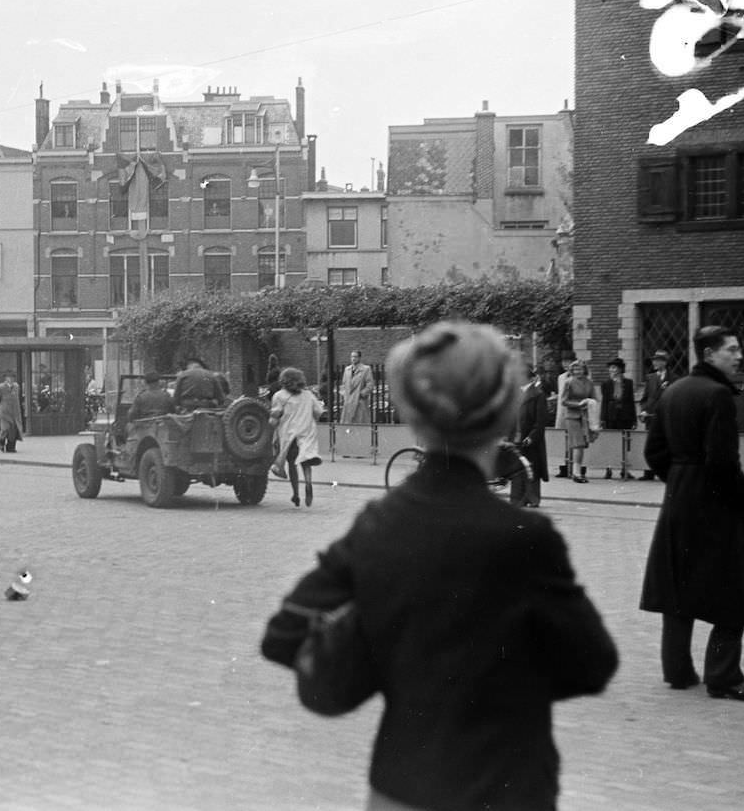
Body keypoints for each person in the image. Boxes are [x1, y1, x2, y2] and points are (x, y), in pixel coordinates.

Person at [262, 321, 617, 811]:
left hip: (405, 784)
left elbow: (284, 634)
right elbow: (594, 663)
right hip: (509, 782)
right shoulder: (526, 537)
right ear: (503, 409)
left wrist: (382, 647)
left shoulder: (380, 525)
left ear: (415, 415)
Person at [641, 325, 744, 701]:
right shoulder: (718, 396)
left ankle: (678, 670)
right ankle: (725, 676)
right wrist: (736, 497)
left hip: (679, 497)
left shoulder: (674, 390)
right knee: (730, 587)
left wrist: (680, 479)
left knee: (677, 582)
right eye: (731, 350)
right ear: (710, 354)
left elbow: (654, 453)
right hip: (713, 503)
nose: (739, 356)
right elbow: (721, 461)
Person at [268, 367, 324, 508]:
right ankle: (308, 483)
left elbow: (274, 417)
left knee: (292, 464)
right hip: (306, 433)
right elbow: (318, 412)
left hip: (289, 435)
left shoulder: (279, 396)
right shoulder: (308, 395)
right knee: (306, 461)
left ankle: (296, 494)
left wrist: (273, 423)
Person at [510, 362, 549, 508]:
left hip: (530, 438)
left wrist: (532, 437)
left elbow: (540, 421)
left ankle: (532, 498)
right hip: (516, 437)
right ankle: (517, 499)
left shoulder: (538, 395)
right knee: (516, 469)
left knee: (531, 467)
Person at [560, 360, 598, 483]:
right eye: (575, 370)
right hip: (572, 416)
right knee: (578, 444)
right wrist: (578, 404)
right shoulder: (568, 382)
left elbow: (595, 398)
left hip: (585, 416)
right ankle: (576, 473)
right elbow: (563, 401)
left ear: (584, 370)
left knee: (583, 445)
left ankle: (577, 471)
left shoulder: (589, 383)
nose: (577, 372)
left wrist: (590, 403)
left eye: (580, 369)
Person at [638, 350, 674, 480]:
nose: (654, 363)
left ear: (665, 362)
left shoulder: (673, 378)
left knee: (667, 443)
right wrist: (643, 410)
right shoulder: (650, 378)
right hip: (651, 416)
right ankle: (649, 472)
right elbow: (645, 398)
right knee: (651, 443)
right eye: (654, 360)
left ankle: (667, 472)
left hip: (666, 416)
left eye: (658, 360)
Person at [600, 357, 637, 478]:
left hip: (625, 415)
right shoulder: (606, 384)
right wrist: (602, 418)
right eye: (610, 368)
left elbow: (631, 401)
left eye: (614, 367)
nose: (612, 370)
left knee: (625, 443)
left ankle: (624, 469)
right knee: (610, 442)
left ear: (620, 369)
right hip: (611, 415)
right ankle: (609, 468)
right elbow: (604, 402)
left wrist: (634, 419)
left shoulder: (628, 383)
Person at [0, 371, 24, 453]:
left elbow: (17, 398)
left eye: (12, 377)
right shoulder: (0, 388)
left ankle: (11, 447)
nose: (10, 379)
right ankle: (2, 442)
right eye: (8, 377)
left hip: (15, 412)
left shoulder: (16, 386)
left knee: (13, 430)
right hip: (5, 412)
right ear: (5, 378)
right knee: (5, 428)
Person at [340, 350, 374, 424]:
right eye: (352, 356)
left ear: (359, 358)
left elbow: (370, 385)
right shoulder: (347, 370)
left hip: (360, 402)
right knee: (348, 426)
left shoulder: (366, 369)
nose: (353, 358)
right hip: (348, 402)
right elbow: (343, 384)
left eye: (355, 356)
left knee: (360, 424)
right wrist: (344, 395)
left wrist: (361, 394)